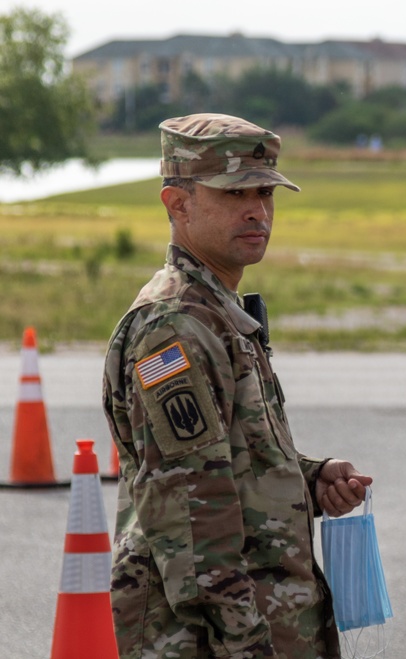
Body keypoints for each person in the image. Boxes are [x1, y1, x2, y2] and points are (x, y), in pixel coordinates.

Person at [102, 113, 372, 659]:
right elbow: (191, 513)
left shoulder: (217, 312)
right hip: (215, 640)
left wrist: (307, 479)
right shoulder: (175, 325)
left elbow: (226, 456)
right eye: (234, 194)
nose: (258, 210)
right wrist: (248, 645)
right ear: (177, 204)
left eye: (265, 193)